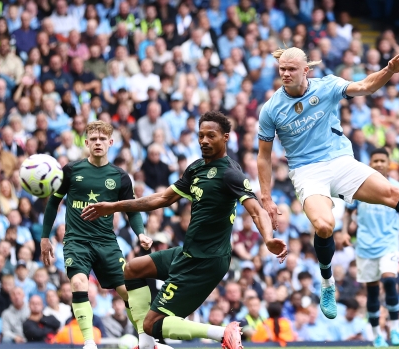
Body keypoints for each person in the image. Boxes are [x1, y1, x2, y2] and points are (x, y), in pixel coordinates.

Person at [256, 46, 399, 319]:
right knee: (325, 226)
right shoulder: (271, 109)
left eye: (291, 69)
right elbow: (264, 157)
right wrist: (266, 197)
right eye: (282, 69)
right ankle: (327, 283)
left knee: (393, 192)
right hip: (306, 171)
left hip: (339, 160)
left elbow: (364, 87)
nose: (286, 74)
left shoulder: (327, 86)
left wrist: (388, 71)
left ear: (306, 70)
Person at [80, 111, 287, 349]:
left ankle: (222, 333)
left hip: (207, 261)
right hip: (189, 253)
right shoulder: (196, 168)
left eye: (211, 135)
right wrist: (114, 206)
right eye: (201, 136)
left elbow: (256, 209)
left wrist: (268, 239)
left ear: (226, 137)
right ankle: (148, 345)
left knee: (152, 322)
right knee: (133, 269)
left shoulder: (230, 173)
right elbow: (160, 199)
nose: (204, 141)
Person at [41, 120, 153, 349]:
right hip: (76, 241)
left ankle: (146, 339)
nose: (98, 143)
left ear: (111, 142)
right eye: (93, 139)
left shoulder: (120, 177)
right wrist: (44, 237)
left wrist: (140, 233)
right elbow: (53, 203)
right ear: (86, 142)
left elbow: (131, 209)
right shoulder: (72, 170)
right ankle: (89, 343)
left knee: (127, 292)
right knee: (79, 282)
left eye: (102, 139)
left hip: (106, 242)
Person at [343, 148, 399, 347]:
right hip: (365, 246)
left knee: (389, 280)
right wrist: (343, 232)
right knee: (373, 292)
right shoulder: (359, 185)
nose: (378, 164)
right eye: (375, 160)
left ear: (388, 163)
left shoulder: (397, 188)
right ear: (370, 162)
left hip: (388, 244)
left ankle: (394, 330)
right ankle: (377, 335)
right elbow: (347, 211)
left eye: (381, 160)